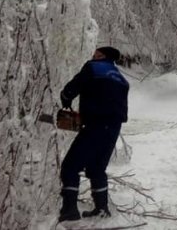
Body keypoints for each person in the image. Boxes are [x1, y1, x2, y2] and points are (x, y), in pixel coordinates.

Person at [58, 46, 130, 222]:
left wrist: (66, 98)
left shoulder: (93, 67)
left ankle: (69, 210)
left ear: (102, 56)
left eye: (96, 54)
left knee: (70, 166)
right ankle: (101, 208)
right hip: (113, 127)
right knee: (97, 168)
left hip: (95, 124)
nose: (93, 56)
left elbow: (74, 86)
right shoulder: (121, 78)